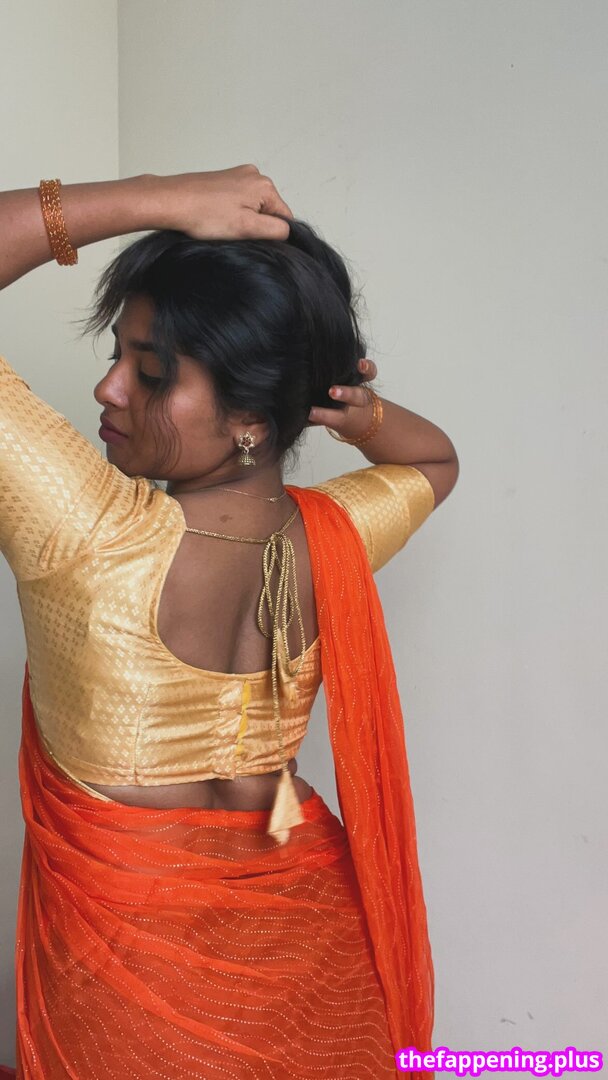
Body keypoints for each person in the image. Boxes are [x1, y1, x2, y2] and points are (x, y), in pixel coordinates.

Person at [0, 166, 459, 1078]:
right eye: (117, 355)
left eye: (149, 371)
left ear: (250, 414)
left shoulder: (85, 531)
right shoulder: (332, 536)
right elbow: (434, 462)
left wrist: (159, 197)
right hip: (315, 953)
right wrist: (361, 414)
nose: (108, 388)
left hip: (133, 987)